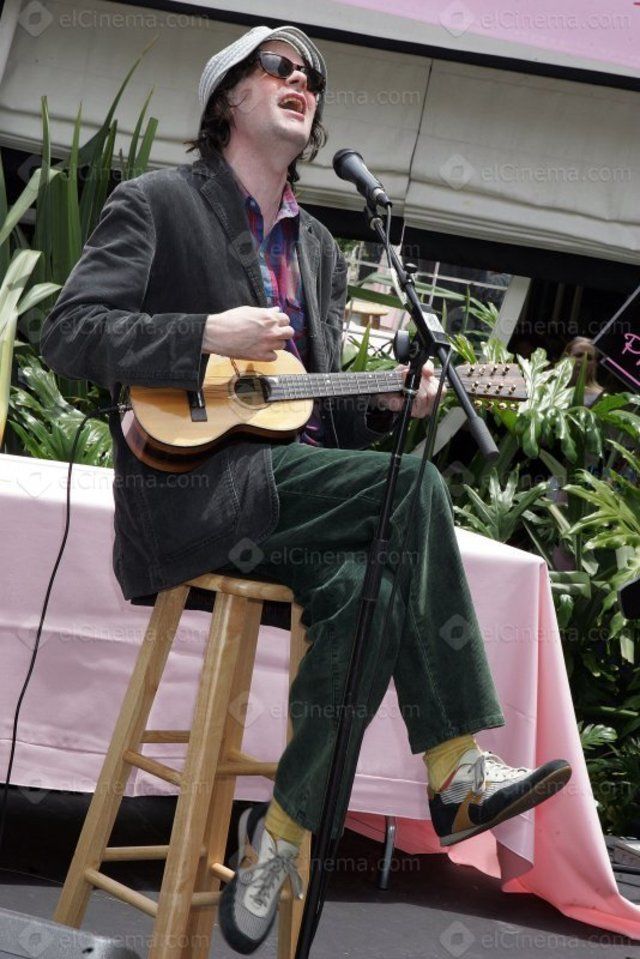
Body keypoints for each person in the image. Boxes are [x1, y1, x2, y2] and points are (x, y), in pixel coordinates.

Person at [40, 25, 572, 955]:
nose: (301, 81)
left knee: (373, 588)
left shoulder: (320, 247)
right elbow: (70, 332)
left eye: (313, 77)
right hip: (195, 497)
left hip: (292, 498)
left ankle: (280, 835)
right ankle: (455, 764)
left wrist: (394, 400)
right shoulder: (159, 203)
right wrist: (205, 333)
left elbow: (307, 409)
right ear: (227, 97)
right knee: (413, 489)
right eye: (279, 66)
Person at [563, 336, 605, 407]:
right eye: (579, 355)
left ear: (594, 364)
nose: (583, 361)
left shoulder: (600, 397)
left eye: (589, 358)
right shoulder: (548, 385)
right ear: (566, 357)